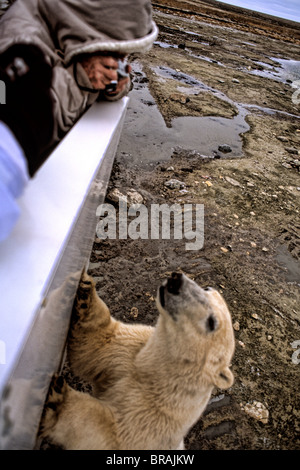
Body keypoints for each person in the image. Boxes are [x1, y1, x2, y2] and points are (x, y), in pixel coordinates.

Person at [0, 0, 158, 241]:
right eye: (115, 50)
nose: (121, 61)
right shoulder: (20, 49)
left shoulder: (67, 27)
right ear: (93, 33)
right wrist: (82, 79)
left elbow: (112, 74)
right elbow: (35, 113)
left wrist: (115, 87)